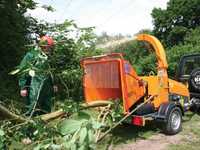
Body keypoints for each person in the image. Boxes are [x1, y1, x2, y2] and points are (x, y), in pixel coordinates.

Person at [18, 35, 57, 116]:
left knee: (46, 108)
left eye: (51, 48)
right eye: (49, 48)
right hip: (34, 86)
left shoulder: (49, 58)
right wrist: (23, 87)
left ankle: (44, 126)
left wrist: (54, 84)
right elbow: (23, 71)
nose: (50, 50)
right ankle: (29, 125)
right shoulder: (31, 55)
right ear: (43, 47)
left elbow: (52, 72)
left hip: (47, 88)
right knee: (33, 106)